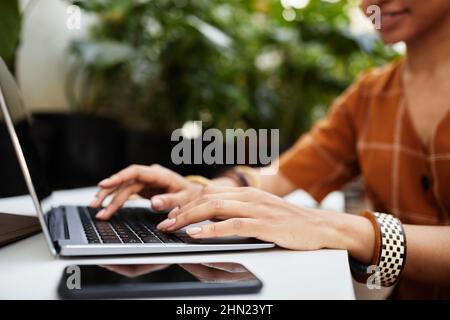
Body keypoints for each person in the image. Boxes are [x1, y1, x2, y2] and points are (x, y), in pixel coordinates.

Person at [90, 0, 450, 299]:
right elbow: (284, 171)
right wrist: (210, 193)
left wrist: (337, 228)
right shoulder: (369, 95)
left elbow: (330, 222)